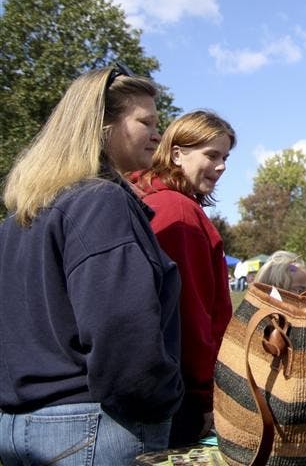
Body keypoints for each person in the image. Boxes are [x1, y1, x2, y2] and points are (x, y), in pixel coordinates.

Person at [0, 66, 183, 464]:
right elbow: (122, 327)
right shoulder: (101, 201)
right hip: (92, 427)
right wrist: (163, 398)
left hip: (15, 425)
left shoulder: (21, 217)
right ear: (102, 127)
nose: (158, 133)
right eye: (145, 121)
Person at [132, 110, 235, 447]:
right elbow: (190, 313)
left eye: (225, 157)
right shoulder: (178, 212)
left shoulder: (152, 202)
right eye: (211, 154)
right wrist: (204, 394)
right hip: (182, 394)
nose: (221, 166)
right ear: (177, 153)